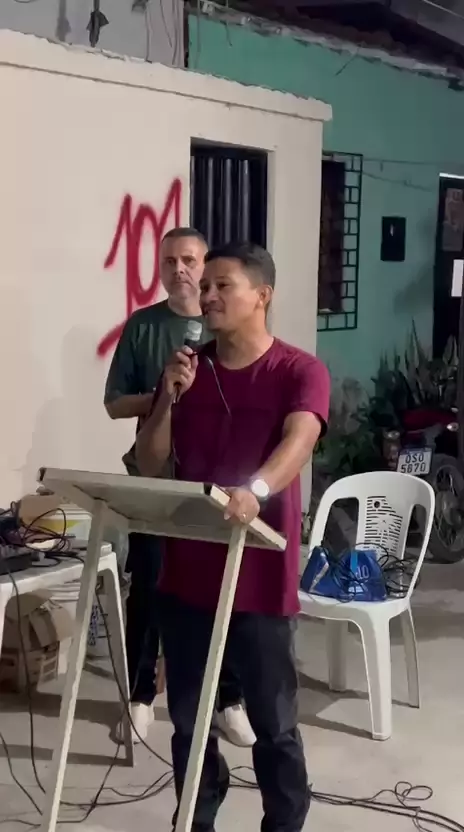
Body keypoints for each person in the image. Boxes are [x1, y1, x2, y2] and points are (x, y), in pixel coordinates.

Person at [136, 242, 331, 832]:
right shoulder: (188, 369)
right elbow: (151, 462)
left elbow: (300, 440)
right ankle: (196, 818)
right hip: (187, 576)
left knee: (273, 724)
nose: (208, 295)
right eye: (206, 286)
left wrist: (257, 489)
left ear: (262, 295)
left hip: (260, 575)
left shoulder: (299, 370)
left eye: (223, 285)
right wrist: (167, 399)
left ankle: (284, 823)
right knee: (190, 722)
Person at [104, 227, 255, 747]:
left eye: (190, 260)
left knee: (221, 587)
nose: (180, 270)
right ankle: (141, 696)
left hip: (215, 480)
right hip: (154, 479)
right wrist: (165, 394)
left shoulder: (226, 324)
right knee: (148, 583)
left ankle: (228, 698)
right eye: (170, 260)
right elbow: (114, 403)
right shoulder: (143, 326)